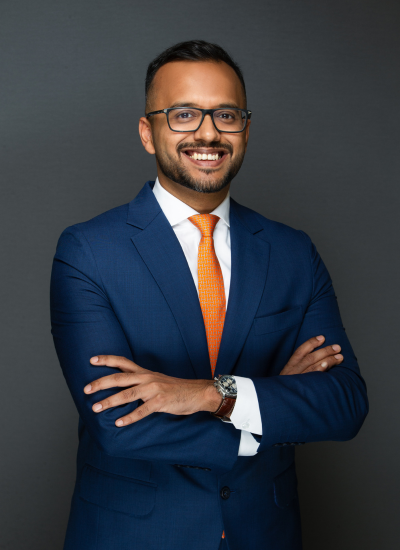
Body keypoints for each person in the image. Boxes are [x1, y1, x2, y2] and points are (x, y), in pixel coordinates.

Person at [50, 40, 368, 550]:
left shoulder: (292, 251)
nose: (207, 133)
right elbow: (118, 424)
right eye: (183, 114)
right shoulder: (89, 251)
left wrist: (210, 394)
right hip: (135, 535)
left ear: (245, 130)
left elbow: (345, 403)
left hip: (263, 533)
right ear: (147, 133)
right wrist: (269, 409)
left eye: (226, 115)